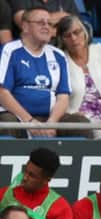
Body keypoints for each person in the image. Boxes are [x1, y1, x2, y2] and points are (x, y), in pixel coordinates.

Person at [0, 6, 88, 138]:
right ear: (25, 26)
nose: (47, 27)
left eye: (50, 24)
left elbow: (63, 96)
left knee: (80, 124)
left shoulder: (58, 55)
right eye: (41, 22)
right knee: (6, 123)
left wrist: (51, 123)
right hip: (18, 118)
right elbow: (2, 92)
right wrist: (30, 122)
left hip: (50, 119)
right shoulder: (10, 50)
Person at [11, 0, 78, 35]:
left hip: (63, 47)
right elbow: (23, 23)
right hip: (32, 49)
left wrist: (38, 21)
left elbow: (78, 26)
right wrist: (60, 16)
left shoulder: (67, 1)